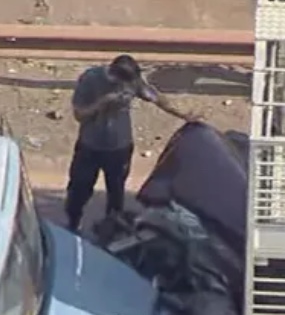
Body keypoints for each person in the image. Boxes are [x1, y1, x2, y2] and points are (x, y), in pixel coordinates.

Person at [65, 54, 198, 232]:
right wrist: (102, 103)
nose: (126, 88)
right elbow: (79, 114)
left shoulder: (132, 81)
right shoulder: (91, 79)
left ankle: (111, 229)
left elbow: (156, 98)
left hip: (119, 148)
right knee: (79, 189)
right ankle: (73, 224)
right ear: (113, 75)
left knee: (116, 192)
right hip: (90, 146)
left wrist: (184, 115)